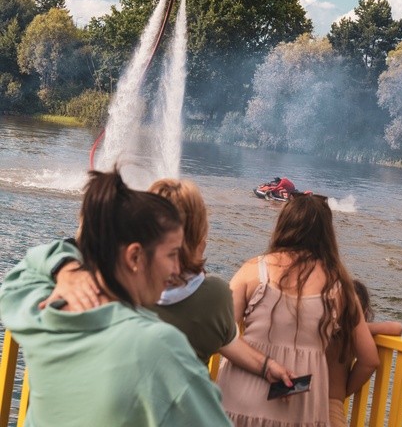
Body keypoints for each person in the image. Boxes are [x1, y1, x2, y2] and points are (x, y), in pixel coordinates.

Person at [0, 170, 232, 426]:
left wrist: (65, 267)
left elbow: (21, 274)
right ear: (134, 257)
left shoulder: (49, 313)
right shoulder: (157, 346)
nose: (177, 269)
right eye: (171, 255)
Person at [51, 177, 296, 386]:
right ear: (198, 235)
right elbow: (225, 338)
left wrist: (67, 269)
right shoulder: (213, 296)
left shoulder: (108, 282)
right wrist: (267, 366)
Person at [217, 194, 378, 426]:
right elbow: (369, 359)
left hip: (238, 401)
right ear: (327, 235)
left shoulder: (253, 271)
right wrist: (337, 394)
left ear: (283, 224)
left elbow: (222, 335)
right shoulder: (340, 287)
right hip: (302, 410)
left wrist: (265, 366)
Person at [326, 279, 402, 427]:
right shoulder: (353, 331)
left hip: (295, 400)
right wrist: (346, 390)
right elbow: (397, 328)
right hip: (330, 406)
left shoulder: (317, 326)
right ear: (365, 312)